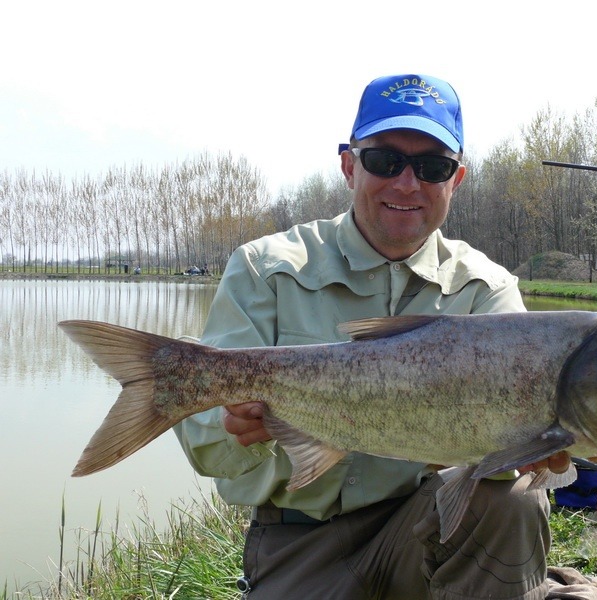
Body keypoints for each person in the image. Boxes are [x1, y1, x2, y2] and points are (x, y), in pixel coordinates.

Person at [174, 73, 570, 599]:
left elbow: (509, 458)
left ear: (456, 181)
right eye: (385, 160)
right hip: (298, 540)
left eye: (432, 167)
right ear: (348, 166)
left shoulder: (486, 292)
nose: (407, 183)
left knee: (515, 499)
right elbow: (206, 449)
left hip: (426, 522)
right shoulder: (266, 269)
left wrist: (527, 452)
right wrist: (233, 429)